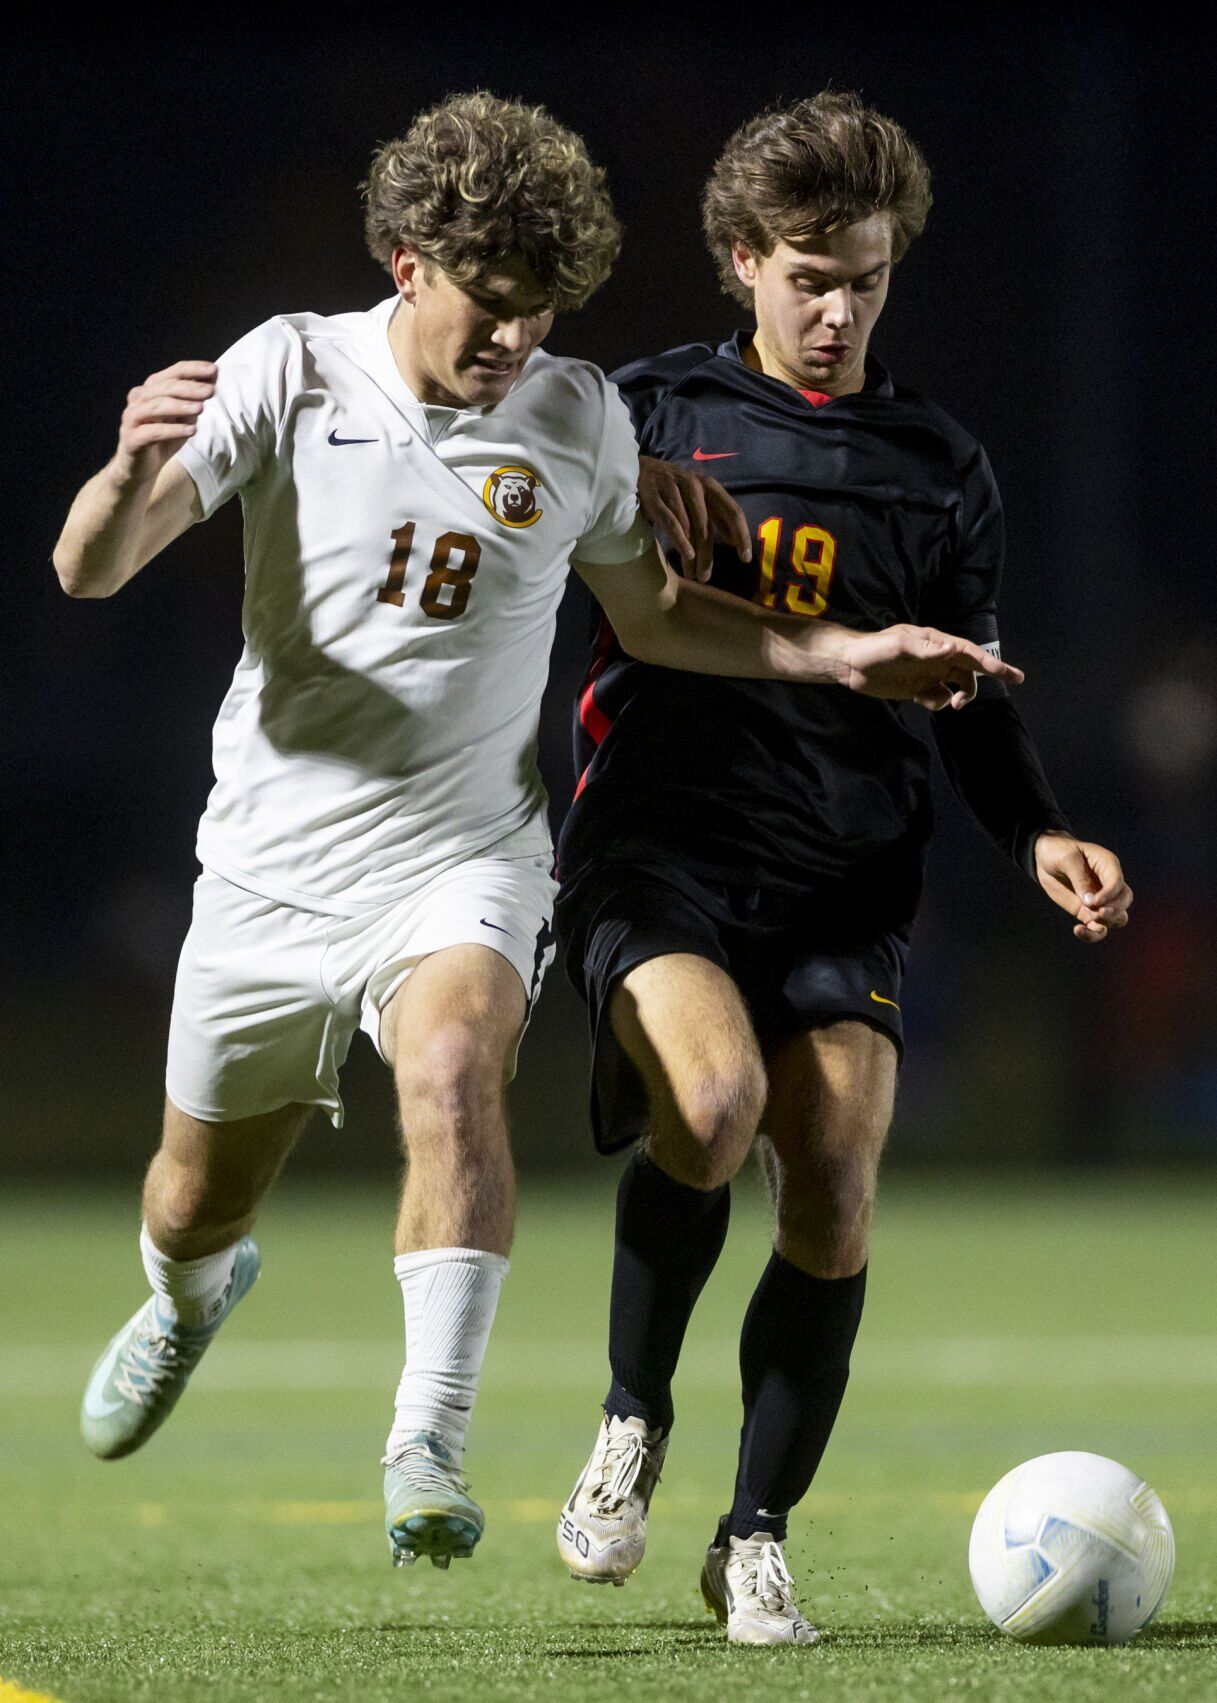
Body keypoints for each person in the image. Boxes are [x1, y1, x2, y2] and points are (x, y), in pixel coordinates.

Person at [52, 92, 1012, 1576]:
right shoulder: (289, 369)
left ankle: (425, 1442)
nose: (510, 341)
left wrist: (841, 653)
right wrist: (123, 472)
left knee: (452, 1067)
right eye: (486, 308)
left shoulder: (572, 414)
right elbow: (91, 569)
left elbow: (658, 618)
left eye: (539, 313)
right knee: (188, 1202)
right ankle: (188, 1297)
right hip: (263, 870)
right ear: (404, 264)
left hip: (464, 854)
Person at [554, 92, 1132, 1642]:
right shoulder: (638, 413)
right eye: (807, 275)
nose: (835, 309)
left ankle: (753, 1534)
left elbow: (970, 696)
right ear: (741, 261)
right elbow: (505, 512)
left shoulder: (937, 465)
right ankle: (630, 1415)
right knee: (715, 1099)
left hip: (844, 874)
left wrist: (1040, 832)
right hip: (659, 847)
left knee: (832, 1189)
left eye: (864, 277)